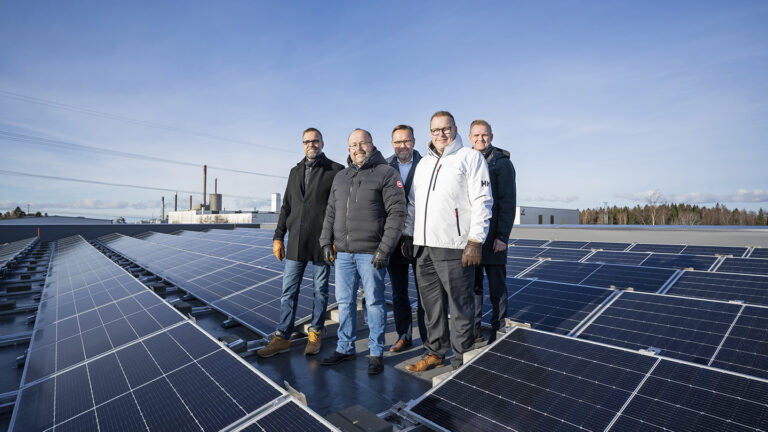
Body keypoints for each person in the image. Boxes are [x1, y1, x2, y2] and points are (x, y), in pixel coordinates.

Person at [403, 111, 492, 371]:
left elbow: (482, 201)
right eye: (435, 130)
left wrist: (475, 240)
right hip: (424, 247)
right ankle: (435, 353)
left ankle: (461, 359)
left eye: (445, 129)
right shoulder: (424, 164)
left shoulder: (470, 158)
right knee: (431, 307)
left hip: (454, 246)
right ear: (429, 133)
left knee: (460, 306)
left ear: (455, 128)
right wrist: (409, 233)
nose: (440, 134)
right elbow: (413, 203)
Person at [319, 128, 406, 375]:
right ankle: (345, 348)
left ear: (372, 144)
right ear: (348, 149)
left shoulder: (386, 173)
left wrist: (384, 249)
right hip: (344, 253)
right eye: (353, 145)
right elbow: (330, 212)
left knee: (375, 304)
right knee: (344, 302)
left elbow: (397, 213)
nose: (358, 148)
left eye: (363, 144)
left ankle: (376, 352)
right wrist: (326, 241)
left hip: (371, 253)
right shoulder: (341, 177)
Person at [258, 128, 344, 358]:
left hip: (321, 242)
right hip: (295, 241)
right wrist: (278, 236)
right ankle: (283, 336)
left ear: (323, 143)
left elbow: (340, 209)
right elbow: (287, 206)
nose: (311, 145)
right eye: (307, 142)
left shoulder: (335, 171)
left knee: (320, 291)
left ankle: (315, 332)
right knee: (288, 291)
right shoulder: (294, 172)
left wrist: (334, 239)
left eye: (315, 141)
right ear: (302, 144)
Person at [468, 120, 516, 343]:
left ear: (492, 136)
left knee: (497, 289)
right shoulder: (465, 160)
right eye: (476, 135)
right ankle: (475, 331)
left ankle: (498, 331)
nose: (480, 139)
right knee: (474, 288)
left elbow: (508, 202)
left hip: (494, 239)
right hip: (472, 239)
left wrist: (502, 237)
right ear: (469, 138)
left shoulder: (502, 163)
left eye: (484, 135)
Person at [385, 124, 427, 353]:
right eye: (398, 141)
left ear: (413, 141)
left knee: (425, 292)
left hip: (420, 239)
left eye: (406, 141)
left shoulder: (427, 164)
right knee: (399, 293)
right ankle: (404, 336)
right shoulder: (385, 166)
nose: (402, 145)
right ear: (392, 143)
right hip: (395, 240)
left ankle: (429, 338)